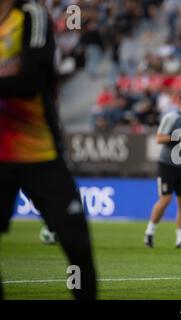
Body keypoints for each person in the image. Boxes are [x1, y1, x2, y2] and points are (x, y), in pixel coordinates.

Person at [0, 0, 96, 299]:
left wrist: (17, 74)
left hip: (39, 152)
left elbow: (30, 80)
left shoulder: (31, 15)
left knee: (75, 240)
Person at [144, 88, 181, 249]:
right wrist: (178, 137)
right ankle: (149, 232)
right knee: (165, 199)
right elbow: (159, 138)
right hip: (167, 164)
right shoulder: (171, 117)